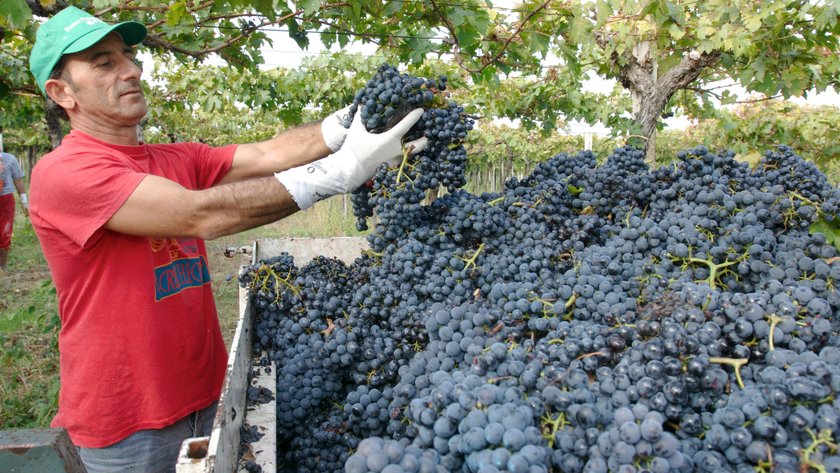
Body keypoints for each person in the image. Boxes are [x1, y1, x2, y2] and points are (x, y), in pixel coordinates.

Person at [27, 6, 426, 472]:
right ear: (61, 93)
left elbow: (267, 152)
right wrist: (341, 172)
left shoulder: (173, 157)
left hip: (208, 397)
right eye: (104, 62)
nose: (131, 69)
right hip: (130, 424)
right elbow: (200, 215)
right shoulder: (64, 173)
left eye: (129, 55)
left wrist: (345, 123)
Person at [0, 147, 29, 270]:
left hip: (5, 199)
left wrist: (24, 201)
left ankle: (2, 265)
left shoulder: (10, 159)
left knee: (5, 231)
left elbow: (18, 181)